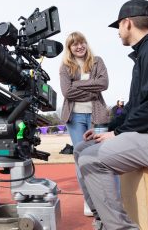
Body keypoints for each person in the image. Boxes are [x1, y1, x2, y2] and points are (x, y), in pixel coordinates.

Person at [74, 0, 148, 229]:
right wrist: (107, 128)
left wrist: (118, 132)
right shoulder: (145, 54)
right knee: (81, 150)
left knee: (91, 159)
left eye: (118, 26)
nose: (118, 32)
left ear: (127, 23)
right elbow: (133, 107)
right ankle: (103, 220)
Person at [59, 31, 109, 216]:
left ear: (86, 44)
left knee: (101, 157)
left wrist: (77, 84)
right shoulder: (65, 66)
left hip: (96, 116)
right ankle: (89, 200)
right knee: (82, 159)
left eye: (82, 43)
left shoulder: (97, 61)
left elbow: (103, 84)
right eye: (74, 44)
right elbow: (67, 92)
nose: (79, 46)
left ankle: (107, 199)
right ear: (69, 48)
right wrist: (91, 88)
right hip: (76, 117)